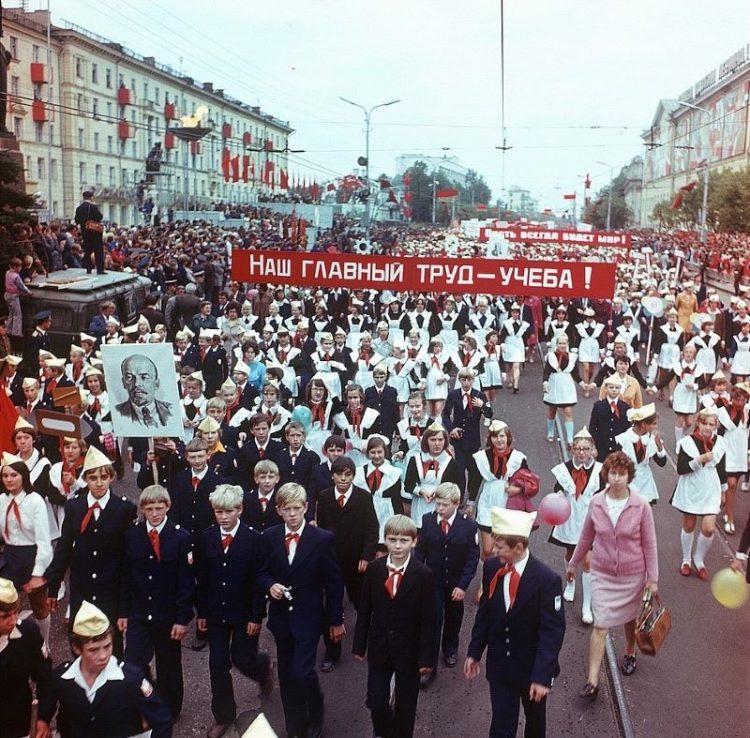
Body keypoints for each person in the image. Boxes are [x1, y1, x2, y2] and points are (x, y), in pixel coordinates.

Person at [465, 508, 566, 738]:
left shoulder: (546, 579)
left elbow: (552, 631)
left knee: (535, 724)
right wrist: (474, 652)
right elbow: (485, 615)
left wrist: (542, 676)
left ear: (518, 547)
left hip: (532, 669)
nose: (494, 551)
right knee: (501, 726)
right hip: (500, 665)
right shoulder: (492, 568)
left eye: (500, 548)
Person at [566, 452, 658, 699]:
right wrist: (574, 562)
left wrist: (653, 578)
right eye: (613, 473)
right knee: (600, 624)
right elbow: (586, 536)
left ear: (629, 476)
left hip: (632, 574)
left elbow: (650, 543)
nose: (616, 478)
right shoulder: (596, 502)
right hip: (603, 573)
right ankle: (592, 680)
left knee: (630, 618)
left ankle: (629, 651)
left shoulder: (641, 505)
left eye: (622, 474)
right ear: (606, 474)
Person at [260, 483, 345, 738]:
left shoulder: (322, 539)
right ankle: (294, 724)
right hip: (281, 618)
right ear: (279, 511)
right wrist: (270, 584)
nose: (293, 514)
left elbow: (333, 583)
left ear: (307, 508)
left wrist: (335, 620)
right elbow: (261, 571)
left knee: (303, 671)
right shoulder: (270, 536)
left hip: (309, 617)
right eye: (288, 509)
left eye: (298, 508)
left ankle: (315, 711)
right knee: (286, 674)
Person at [195, 484, 273, 738]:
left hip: (243, 615)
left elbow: (259, 580)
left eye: (229, 511)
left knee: (242, 658)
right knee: (217, 664)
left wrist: (256, 616)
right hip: (216, 613)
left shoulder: (254, 539)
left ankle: (263, 669)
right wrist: (202, 613)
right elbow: (202, 578)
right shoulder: (206, 537)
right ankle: (224, 715)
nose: (224, 517)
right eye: (219, 512)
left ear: (239, 509)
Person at [45, 446, 137, 658]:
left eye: (103, 477)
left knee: (111, 648)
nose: (98, 482)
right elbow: (64, 548)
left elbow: (126, 561)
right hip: (82, 589)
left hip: (110, 590)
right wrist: (53, 586)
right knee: (80, 644)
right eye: (93, 477)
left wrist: (124, 607)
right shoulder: (74, 507)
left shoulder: (124, 509)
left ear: (111, 478)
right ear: (85, 478)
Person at [353, 514, 437, 738]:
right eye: (393, 540)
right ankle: (384, 731)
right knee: (376, 700)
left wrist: (427, 658)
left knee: (406, 707)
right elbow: (365, 609)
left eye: (403, 540)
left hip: (410, 652)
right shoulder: (375, 569)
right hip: (380, 647)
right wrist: (359, 645)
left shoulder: (424, 575)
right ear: (385, 540)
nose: (398, 546)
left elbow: (431, 620)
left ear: (414, 541)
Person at [38, 601, 173, 738]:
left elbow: (162, 720)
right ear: (76, 648)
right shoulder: (62, 677)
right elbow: (48, 697)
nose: (103, 656)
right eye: (93, 650)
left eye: (107, 646)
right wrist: (43, 720)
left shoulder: (130, 679)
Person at [119, 485, 194, 722]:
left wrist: (182, 618)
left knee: (169, 664)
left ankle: (170, 710)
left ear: (168, 507)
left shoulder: (181, 537)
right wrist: (123, 612)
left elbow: (186, 582)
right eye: (149, 508)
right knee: (133, 663)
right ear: (142, 509)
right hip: (139, 612)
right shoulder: (132, 535)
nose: (154, 513)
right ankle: (139, 706)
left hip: (167, 614)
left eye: (159, 508)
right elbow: (126, 577)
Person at [316, 455, 379, 673]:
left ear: (353, 475)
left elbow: (372, 529)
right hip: (331, 561)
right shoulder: (324, 497)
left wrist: (366, 555)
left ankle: (369, 637)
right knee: (330, 605)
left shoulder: (363, 497)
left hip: (356, 561)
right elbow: (321, 528)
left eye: (348, 475)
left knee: (361, 601)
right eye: (339, 475)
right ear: (332, 476)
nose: (343, 479)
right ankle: (332, 651)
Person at [415, 482, 479, 686]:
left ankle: (450, 648)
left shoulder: (468, 526)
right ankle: (429, 666)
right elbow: (420, 552)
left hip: (456, 582)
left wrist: (463, 585)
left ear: (456, 503)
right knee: (432, 621)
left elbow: (472, 557)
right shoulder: (427, 521)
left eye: (444, 505)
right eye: (437, 504)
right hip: (433, 580)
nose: (439, 509)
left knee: (453, 616)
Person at [549, 427, 603, 625]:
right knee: (571, 555)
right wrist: (561, 494)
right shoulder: (564, 469)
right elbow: (556, 489)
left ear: (592, 450)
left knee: (588, 561)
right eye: (578, 449)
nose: (582, 452)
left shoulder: (599, 470)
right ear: (572, 450)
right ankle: (570, 582)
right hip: (571, 518)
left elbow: (604, 494)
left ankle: (586, 605)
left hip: (590, 520)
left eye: (586, 449)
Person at [0, 452, 53, 646]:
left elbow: (44, 541)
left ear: (23, 476)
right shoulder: (1, 501)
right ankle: (8, 645)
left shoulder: (35, 500)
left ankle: (44, 643)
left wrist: (37, 573)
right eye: (5, 475)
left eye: (14, 475)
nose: (9, 479)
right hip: (10, 557)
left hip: (32, 555)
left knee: (39, 607)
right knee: (5, 605)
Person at [672, 406, 727, 580]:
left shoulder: (720, 442)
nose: (708, 428)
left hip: (711, 487)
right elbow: (681, 469)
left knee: (709, 527)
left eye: (711, 424)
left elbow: (721, 468)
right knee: (689, 525)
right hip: (692, 486)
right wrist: (699, 460)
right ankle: (686, 559)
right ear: (699, 424)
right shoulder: (687, 442)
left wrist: (723, 491)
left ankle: (699, 558)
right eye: (705, 424)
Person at [468, 420, 530, 559]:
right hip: (488, 503)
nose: (499, 440)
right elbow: (475, 481)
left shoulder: (518, 458)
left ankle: (501, 578)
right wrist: (471, 503)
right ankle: (487, 577)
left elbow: (528, 481)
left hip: (509, 504)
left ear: (508, 437)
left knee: (505, 550)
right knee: (488, 550)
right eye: (495, 436)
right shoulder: (481, 457)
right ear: (490, 439)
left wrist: (518, 489)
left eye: (502, 436)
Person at [0, 577, 53, 738]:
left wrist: (44, 717)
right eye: (5, 616)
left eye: (16, 612)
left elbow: (45, 678)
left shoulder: (28, 635)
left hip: (15, 725)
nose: (13, 621)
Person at [441, 366, 493, 486]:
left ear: (473, 380)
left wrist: (482, 406)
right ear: (459, 380)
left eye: (469, 380)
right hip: (458, 439)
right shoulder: (453, 394)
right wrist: (451, 429)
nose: (466, 383)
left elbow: (489, 414)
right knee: (459, 470)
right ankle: (459, 498)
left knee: (473, 470)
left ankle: (471, 498)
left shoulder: (479, 395)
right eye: (463, 380)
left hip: (472, 439)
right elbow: (445, 415)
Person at [715, 383, 750, 534]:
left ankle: (727, 510)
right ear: (732, 398)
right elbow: (719, 435)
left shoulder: (747, 412)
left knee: (733, 486)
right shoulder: (723, 412)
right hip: (727, 453)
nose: (740, 403)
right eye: (737, 400)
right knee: (731, 483)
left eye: (743, 400)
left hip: (740, 454)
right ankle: (730, 517)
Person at [615, 404, 666, 506]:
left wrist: (659, 447)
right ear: (644, 424)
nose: (656, 427)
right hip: (627, 480)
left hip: (645, 482)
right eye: (654, 424)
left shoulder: (652, 440)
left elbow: (662, 463)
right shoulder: (623, 439)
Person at [115, 354, 174, 428]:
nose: (136, 384)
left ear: (156, 384)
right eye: (129, 377)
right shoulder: (116, 413)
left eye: (144, 377)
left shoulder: (172, 410)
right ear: (124, 382)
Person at [588, 376, 631, 462]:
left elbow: (627, 428)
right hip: (602, 447)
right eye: (611, 387)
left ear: (620, 390)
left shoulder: (625, 407)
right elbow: (593, 427)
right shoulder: (598, 405)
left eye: (617, 388)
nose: (614, 390)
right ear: (606, 389)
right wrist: (593, 446)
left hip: (618, 448)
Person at [73, 189, 105, 275]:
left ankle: (88, 268)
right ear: (91, 198)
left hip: (85, 232)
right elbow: (99, 217)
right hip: (95, 232)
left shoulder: (79, 208)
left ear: (83, 197)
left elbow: (76, 220)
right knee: (98, 250)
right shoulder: (93, 207)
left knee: (87, 250)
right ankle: (100, 269)